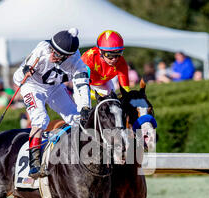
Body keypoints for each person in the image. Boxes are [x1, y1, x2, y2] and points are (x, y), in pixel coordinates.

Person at [13, 27, 91, 179]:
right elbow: (17, 78)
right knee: (40, 118)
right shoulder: (42, 48)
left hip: (55, 88)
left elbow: (82, 87)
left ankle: (80, 159)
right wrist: (25, 71)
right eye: (52, 49)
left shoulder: (77, 63)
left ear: (68, 56)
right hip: (32, 86)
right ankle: (34, 164)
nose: (52, 54)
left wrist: (85, 107)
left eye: (57, 54)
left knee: (77, 119)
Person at [81, 30, 130, 96]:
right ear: (100, 51)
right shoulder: (88, 59)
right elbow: (83, 89)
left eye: (118, 54)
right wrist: (100, 96)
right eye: (109, 55)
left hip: (104, 82)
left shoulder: (120, 60)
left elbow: (125, 88)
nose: (114, 59)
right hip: (83, 83)